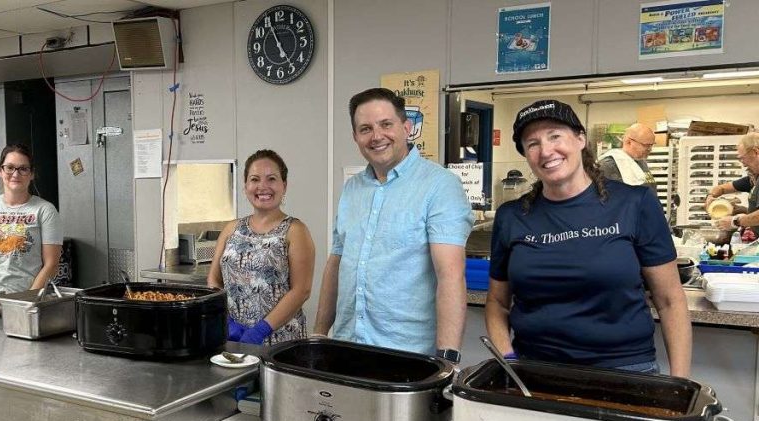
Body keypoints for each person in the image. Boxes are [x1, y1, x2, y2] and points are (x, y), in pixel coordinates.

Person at [485, 99, 691, 377]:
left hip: (625, 371)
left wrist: (680, 384)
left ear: (580, 138)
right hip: (534, 371)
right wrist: (508, 361)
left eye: (555, 136)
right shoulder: (512, 216)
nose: (546, 151)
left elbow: (670, 300)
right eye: (532, 143)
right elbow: (497, 303)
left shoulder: (635, 203)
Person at [313, 88, 472, 360]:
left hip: (406, 356)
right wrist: (318, 334)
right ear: (355, 137)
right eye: (365, 129)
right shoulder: (352, 188)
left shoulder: (439, 185)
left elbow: (450, 276)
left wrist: (447, 358)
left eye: (386, 124)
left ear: (407, 127)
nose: (376, 136)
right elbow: (337, 262)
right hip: (345, 345)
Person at [207, 149, 315, 346]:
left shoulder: (295, 231)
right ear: (246, 186)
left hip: (280, 342)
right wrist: (226, 320)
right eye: (255, 179)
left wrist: (261, 330)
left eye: (271, 179)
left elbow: (301, 291)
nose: (262, 186)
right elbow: (214, 279)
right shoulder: (232, 228)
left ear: (284, 185)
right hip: (233, 339)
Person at [0, 144, 62, 294]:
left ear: (32, 174)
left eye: (23, 169)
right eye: (10, 167)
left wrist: (28, 300)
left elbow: (51, 264)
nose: (16, 174)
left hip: (29, 299)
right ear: (0, 171)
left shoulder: (45, 210)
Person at [707, 133, 759, 236]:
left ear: (755, 152)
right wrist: (710, 196)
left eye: (742, 158)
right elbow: (722, 188)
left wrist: (735, 221)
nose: (742, 163)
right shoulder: (754, 178)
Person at [598, 122, 658, 193]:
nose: (650, 149)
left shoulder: (641, 162)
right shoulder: (608, 166)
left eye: (651, 145)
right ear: (629, 142)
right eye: (646, 145)